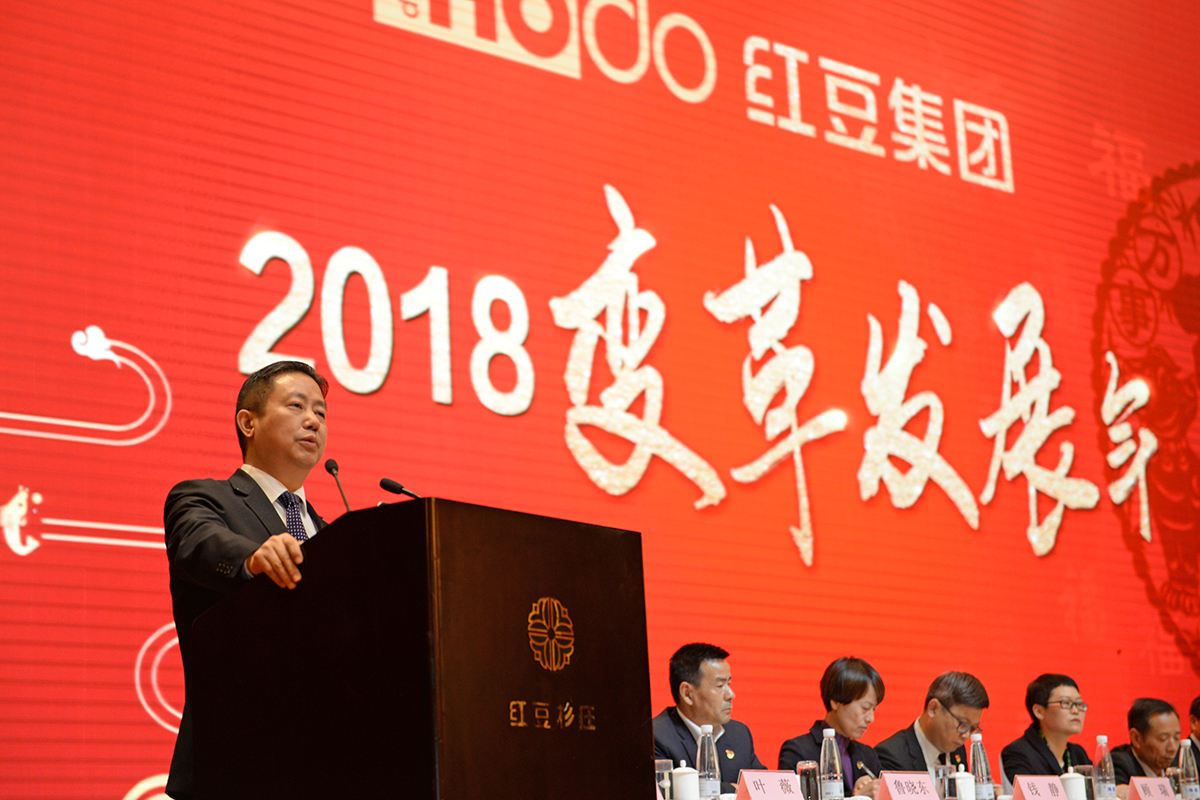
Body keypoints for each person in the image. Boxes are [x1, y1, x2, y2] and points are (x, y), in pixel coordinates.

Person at [163, 361, 330, 800]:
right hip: (233, 760)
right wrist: (253, 558)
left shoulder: (334, 536)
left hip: (326, 763)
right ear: (248, 422)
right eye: (297, 406)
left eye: (321, 412)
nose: (313, 420)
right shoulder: (203, 498)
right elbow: (197, 543)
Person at [653, 643, 766, 793]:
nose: (731, 694)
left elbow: (762, 788)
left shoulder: (739, 734)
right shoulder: (656, 737)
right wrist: (731, 789)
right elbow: (670, 793)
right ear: (687, 693)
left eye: (729, 683)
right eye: (720, 686)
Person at [778, 656, 884, 799]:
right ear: (835, 701)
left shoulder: (867, 755)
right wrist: (855, 797)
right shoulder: (798, 751)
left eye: (874, 709)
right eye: (865, 708)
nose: (871, 718)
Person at [876, 672, 989, 775]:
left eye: (972, 728)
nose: (965, 735)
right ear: (934, 708)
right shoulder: (892, 756)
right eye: (962, 724)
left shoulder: (957, 750)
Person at [1000, 674, 1092, 782]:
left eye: (1079, 704)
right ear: (1039, 711)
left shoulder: (1078, 754)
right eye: (1066, 703)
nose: (1076, 711)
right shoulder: (1018, 753)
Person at [1112, 698, 1181, 795]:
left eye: (1176, 738)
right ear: (1136, 738)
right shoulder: (1118, 765)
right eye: (1163, 738)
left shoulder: (1178, 763)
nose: (1172, 748)